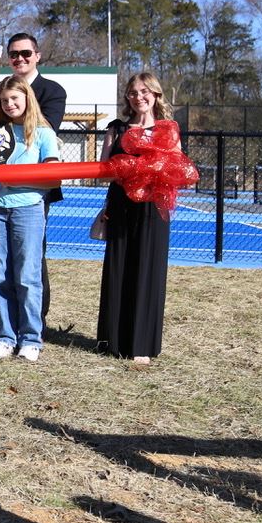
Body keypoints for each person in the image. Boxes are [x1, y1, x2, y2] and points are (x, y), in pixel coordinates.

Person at [0, 33, 66, 321]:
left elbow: (47, 127)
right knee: (2, 262)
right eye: (13, 54)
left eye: (25, 53)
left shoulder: (52, 90)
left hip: (32, 192)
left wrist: (8, 110)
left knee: (31, 259)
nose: (19, 59)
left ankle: (36, 320)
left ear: (37, 55)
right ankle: (7, 323)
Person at [0, 77, 60, 363]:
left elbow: (52, 177)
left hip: (28, 210)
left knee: (27, 276)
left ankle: (31, 338)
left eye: (15, 98)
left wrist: (14, 180)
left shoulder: (42, 133)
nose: (9, 104)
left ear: (27, 98)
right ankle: (5, 336)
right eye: (4, 100)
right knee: (1, 276)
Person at [97, 72, 176, 365]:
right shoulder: (116, 128)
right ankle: (112, 340)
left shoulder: (169, 129)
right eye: (132, 92)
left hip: (153, 207)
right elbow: (104, 168)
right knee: (118, 267)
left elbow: (175, 166)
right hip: (121, 203)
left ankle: (141, 344)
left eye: (144, 91)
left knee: (148, 270)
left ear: (155, 95)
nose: (138, 97)